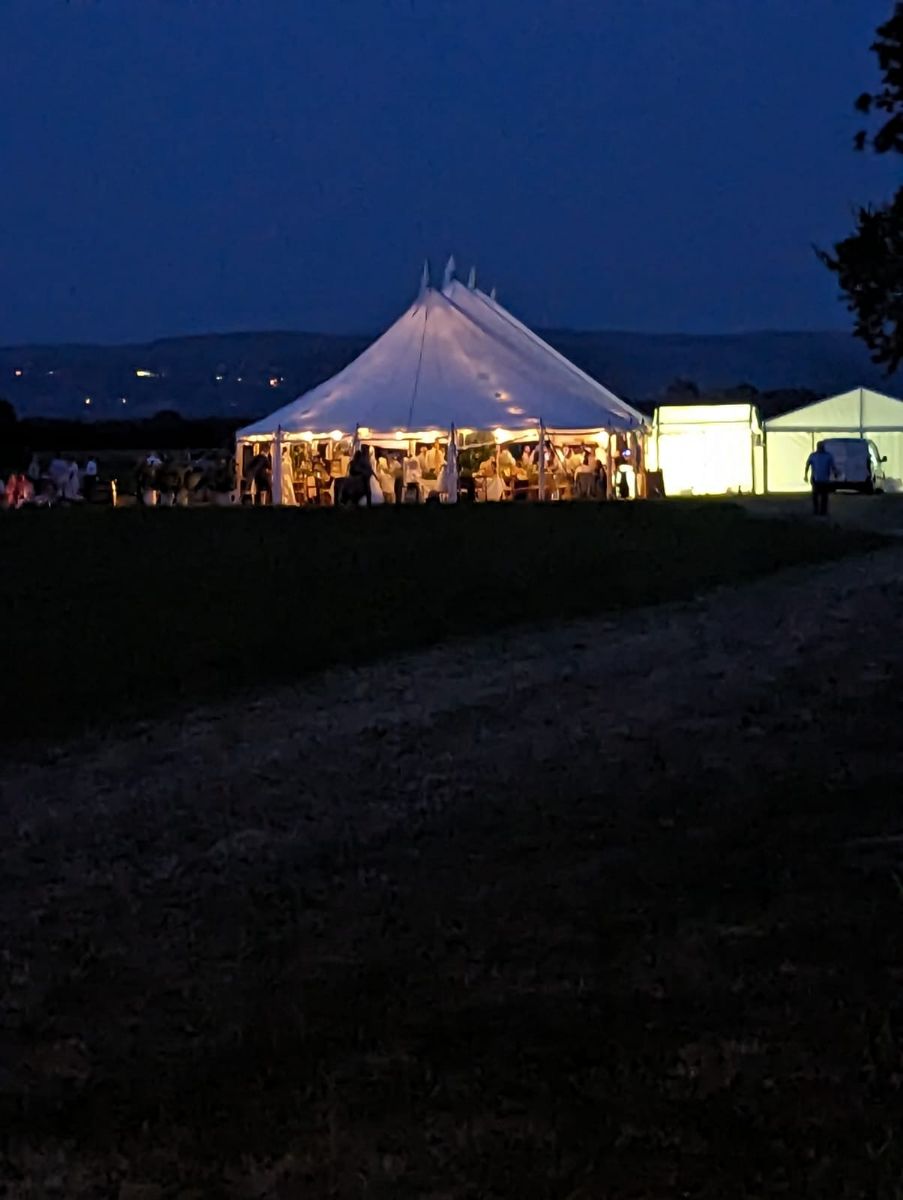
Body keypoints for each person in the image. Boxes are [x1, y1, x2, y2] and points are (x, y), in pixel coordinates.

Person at [805, 440, 837, 516]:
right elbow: (808, 465)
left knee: (821, 496)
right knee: (819, 496)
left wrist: (835, 473)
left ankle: (821, 511)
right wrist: (805, 475)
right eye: (820, 446)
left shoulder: (818, 455)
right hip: (818, 479)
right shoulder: (823, 455)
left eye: (821, 446)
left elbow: (832, 466)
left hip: (822, 479)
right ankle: (819, 511)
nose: (820, 447)